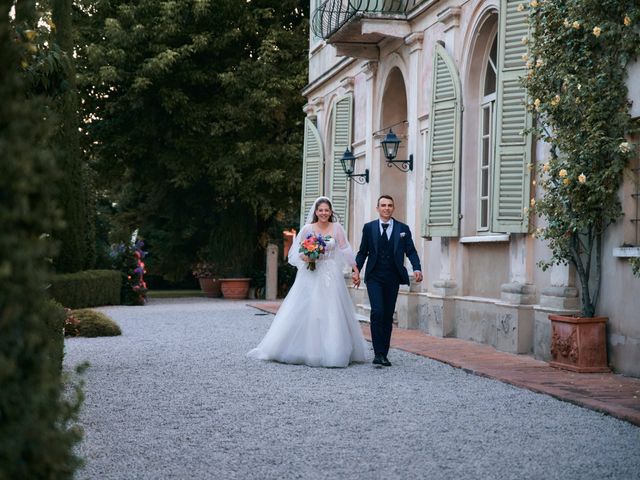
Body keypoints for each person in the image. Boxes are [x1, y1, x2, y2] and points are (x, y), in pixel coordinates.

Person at [247, 197, 367, 368]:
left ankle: (333, 351)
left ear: (331, 212)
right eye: (321, 210)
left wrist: (355, 269)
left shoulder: (337, 228)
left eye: (327, 210)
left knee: (332, 309)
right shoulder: (307, 229)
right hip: (311, 273)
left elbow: (345, 249)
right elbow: (298, 253)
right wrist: (310, 255)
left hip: (331, 274)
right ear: (316, 212)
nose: (324, 213)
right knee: (306, 307)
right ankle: (298, 349)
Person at [353, 195, 422, 367]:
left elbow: (411, 251)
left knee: (387, 315)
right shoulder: (369, 228)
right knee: (377, 311)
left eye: (389, 205)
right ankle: (378, 354)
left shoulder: (402, 229)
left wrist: (417, 268)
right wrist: (356, 270)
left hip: (392, 277)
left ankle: (384, 352)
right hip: (375, 276)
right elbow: (363, 252)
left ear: (393, 208)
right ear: (377, 208)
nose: (386, 208)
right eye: (383, 205)